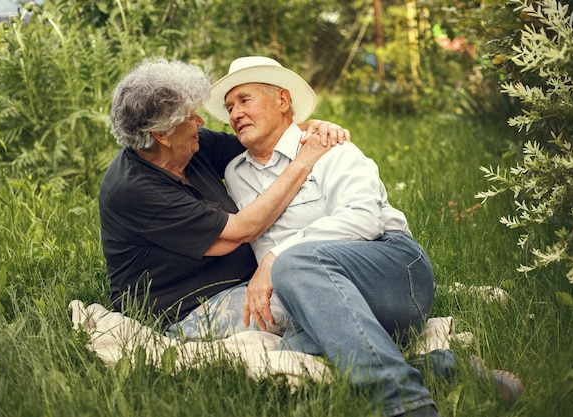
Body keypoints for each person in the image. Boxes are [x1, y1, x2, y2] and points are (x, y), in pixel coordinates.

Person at [204, 56, 439, 417]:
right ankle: (447, 369)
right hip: (320, 299)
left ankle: (405, 405)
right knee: (292, 375)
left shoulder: (330, 145)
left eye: (245, 100)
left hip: (393, 271)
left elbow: (365, 220)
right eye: (230, 106)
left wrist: (276, 256)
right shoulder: (236, 173)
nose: (234, 113)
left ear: (283, 100)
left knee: (294, 262)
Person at [99, 57, 350, 335]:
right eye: (190, 116)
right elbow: (242, 230)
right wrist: (303, 161)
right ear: (162, 134)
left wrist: (311, 127)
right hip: (186, 309)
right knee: (318, 299)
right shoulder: (136, 189)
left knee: (331, 284)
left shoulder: (191, 145)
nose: (200, 121)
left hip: (243, 283)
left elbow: (266, 140)